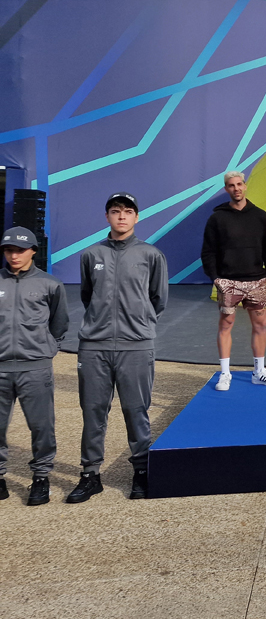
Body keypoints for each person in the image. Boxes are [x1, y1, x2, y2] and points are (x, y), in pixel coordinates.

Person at [69, 192, 168, 503]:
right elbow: (88, 296)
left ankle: (141, 471)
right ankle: (90, 475)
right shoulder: (90, 255)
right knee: (93, 412)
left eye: (128, 211)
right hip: (94, 347)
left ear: (136, 217)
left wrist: (137, 324)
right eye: (115, 211)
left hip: (136, 345)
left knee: (136, 411)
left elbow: (158, 299)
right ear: (107, 217)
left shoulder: (151, 255)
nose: (122, 216)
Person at [0, 227, 67, 506]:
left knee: (41, 426)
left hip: (35, 367)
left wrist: (47, 349)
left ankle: (41, 477)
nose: (14, 255)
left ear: (33, 252)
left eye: (20, 250)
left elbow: (59, 323)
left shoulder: (50, 284)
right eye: (9, 250)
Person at [201, 171, 266, 390]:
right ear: (226, 189)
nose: (236, 188)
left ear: (245, 186)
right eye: (230, 185)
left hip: (257, 281)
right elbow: (208, 251)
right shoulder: (217, 218)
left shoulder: (261, 216)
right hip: (229, 282)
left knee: (261, 325)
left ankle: (259, 371)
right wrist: (216, 278)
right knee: (226, 324)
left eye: (239, 184)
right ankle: (225, 374)